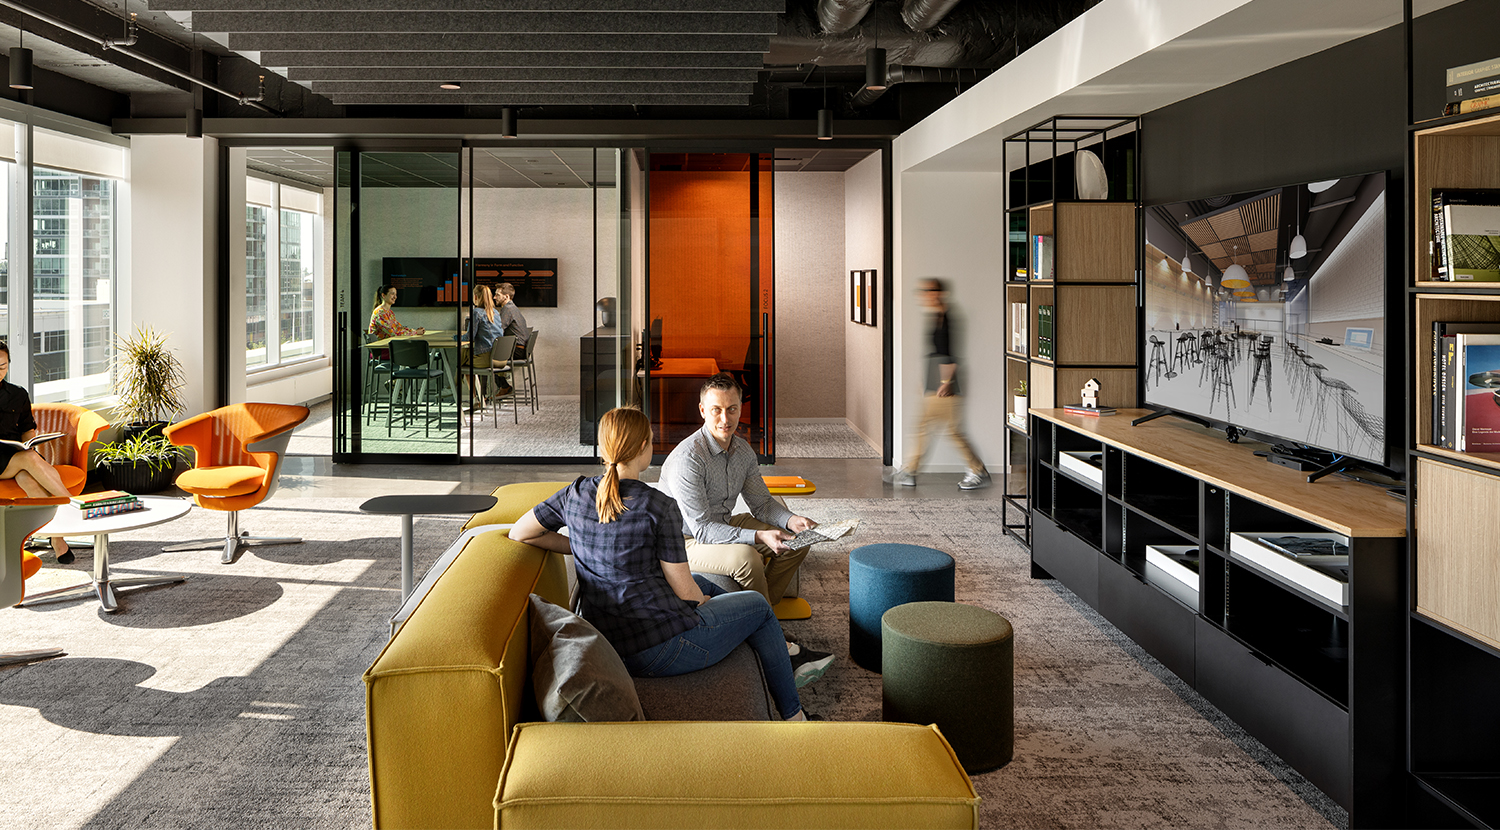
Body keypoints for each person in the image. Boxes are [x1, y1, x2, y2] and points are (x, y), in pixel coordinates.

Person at [511, 407, 827, 720]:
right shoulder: (658, 506)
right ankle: (795, 717)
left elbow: (521, 532)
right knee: (756, 605)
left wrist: (579, 546)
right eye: (650, 440)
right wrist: (701, 603)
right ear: (642, 450)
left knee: (707, 582)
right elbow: (688, 595)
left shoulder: (576, 493)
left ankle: (781, 655)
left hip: (610, 635)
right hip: (658, 651)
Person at [660, 373, 821, 619]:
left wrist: (791, 520)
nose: (725, 419)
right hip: (685, 540)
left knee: (799, 539)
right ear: (702, 410)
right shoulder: (688, 459)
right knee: (747, 557)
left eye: (732, 409)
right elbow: (702, 529)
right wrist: (758, 536)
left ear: (740, 408)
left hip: (722, 523)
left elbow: (762, 503)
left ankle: (764, 610)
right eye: (716, 410)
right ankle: (767, 623)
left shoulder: (743, 450)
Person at [887, 278, 991, 490]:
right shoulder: (937, 315)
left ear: (939, 292)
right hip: (936, 379)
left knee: (944, 429)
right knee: (933, 427)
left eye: (929, 290)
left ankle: (976, 471)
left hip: (944, 381)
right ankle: (910, 471)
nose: (924, 294)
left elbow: (950, 354)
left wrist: (946, 382)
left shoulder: (947, 317)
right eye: (923, 290)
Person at [0, 341, 75, 560]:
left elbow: (26, 429)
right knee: (29, 460)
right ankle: (75, 508)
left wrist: (30, 443)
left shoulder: (18, 394)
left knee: (28, 478)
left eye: (3, 366)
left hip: (17, 455)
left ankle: (57, 538)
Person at [459, 285, 508, 413]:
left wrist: (456, 337)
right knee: (464, 358)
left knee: (464, 365)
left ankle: (477, 400)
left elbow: (469, 336)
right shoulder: (496, 312)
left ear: (475, 297)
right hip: (500, 358)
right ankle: (479, 399)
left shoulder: (476, 313)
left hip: (487, 358)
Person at [495, 282, 531, 359]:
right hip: (522, 350)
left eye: (498, 295)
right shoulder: (513, 308)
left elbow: (498, 330)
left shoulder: (507, 309)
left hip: (517, 350)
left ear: (506, 296)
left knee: (483, 354)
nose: (494, 297)